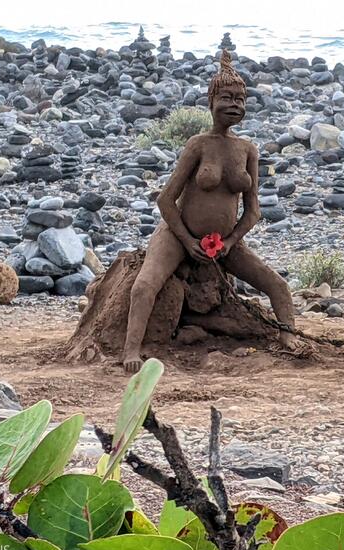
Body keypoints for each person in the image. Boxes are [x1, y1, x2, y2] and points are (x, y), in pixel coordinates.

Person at [122, 50, 299, 373]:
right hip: (178, 235)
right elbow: (166, 200)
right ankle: (131, 348)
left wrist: (231, 241)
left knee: (277, 285)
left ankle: (288, 335)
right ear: (211, 101)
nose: (235, 105)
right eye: (228, 98)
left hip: (224, 242)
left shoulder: (247, 150)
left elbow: (253, 210)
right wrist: (188, 241)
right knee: (144, 286)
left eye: (241, 100)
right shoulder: (198, 144)